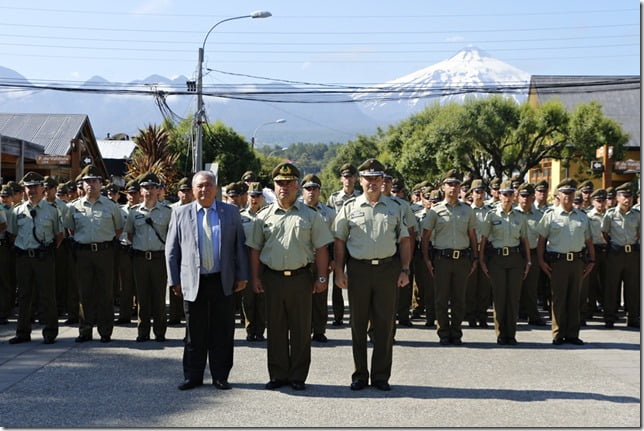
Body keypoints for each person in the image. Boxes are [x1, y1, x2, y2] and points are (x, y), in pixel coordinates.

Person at [247, 162, 332, 391]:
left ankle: (297, 376)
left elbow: (322, 248)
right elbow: (255, 249)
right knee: (275, 329)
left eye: (289, 183)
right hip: (272, 278)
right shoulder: (263, 216)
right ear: (274, 187)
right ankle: (278, 374)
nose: (284, 187)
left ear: (297, 186)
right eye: (279, 183)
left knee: (301, 329)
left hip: (301, 278)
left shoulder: (311, 216)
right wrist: (255, 278)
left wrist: (322, 278)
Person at [166, 170, 249, 391]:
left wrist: (242, 275)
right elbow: (171, 250)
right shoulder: (180, 214)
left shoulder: (230, 212)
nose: (204, 190)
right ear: (193, 190)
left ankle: (221, 376)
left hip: (223, 280)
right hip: (194, 282)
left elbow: (239, 246)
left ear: (216, 188)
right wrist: (174, 280)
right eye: (200, 186)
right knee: (195, 333)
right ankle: (193, 376)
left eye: (208, 185)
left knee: (222, 331)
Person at [333, 158, 411, 392]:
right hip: (358, 269)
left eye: (377, 178)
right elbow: (339, 241)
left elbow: (405, 240)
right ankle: (359, 374)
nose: (372, 183)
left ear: (382, 181)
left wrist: (405, 269)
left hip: (388, 269)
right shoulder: (349, 207)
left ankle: (380, 376)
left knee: (385, 325)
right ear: (360, 180)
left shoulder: (395, 207)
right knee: (357, 324)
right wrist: (339, 269)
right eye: (367, 178)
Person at [66, 165, 124, 343]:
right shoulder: (73, 207)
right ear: (82, 185)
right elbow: (70, 229)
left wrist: (103, 242)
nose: (90, 185)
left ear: (101, 184)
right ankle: (85, 330)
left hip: (104, 253)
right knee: (84, 293)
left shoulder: (111, 206)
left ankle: (105, 331)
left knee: (105, 293)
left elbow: (119, 228)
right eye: (87, 182)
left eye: (94, 181)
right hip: (83, 254)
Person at [421, 169, 478, 346]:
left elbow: (472, 235)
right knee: (441, 299)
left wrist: (475, 258)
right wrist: (427, 260)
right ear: (443, 187)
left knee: (459, 299)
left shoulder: (467, 210)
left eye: (456, 184)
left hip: (462, 259)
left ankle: (456, 332)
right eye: (449, 184)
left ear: (460, 187)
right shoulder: (435, 211)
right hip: (442, 259)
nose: (453, 188)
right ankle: (443, 332)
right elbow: (425, 237)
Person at [7, 172, 63, 344]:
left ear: (42, 188)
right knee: (24, 295)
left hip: (43, 257)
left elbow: (59, 235)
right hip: (24, 258)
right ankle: (23, 332)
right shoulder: (17, 211)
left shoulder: (52, 210)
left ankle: (50, 332)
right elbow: (12, 234)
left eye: (35, 187)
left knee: (47, 295)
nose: (32, 190)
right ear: (24, 189)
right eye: (28, 187)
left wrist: (47, 251)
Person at [537, 178, 595, 345]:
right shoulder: (550, 216)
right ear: (558, 195)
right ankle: (557, 333)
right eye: (565, 193)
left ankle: (572, 334)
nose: (568, 196)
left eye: (571, 193)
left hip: (577, 262)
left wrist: (592, 260)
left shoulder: (582, 217)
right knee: (559, 298)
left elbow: (589, 240)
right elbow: (541, 240)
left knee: (574, 298)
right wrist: (541, 261)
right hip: (558, 262)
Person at [479, 180, 531, 345]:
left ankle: (512, 333)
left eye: (510, 194)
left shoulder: (520, 217)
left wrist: (528, 261)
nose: (507, 198)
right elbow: (484, 239)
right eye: (504, 194)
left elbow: (525, 240)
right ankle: (501, 334)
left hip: (515, 259)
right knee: (500, 297)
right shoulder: (491, 215)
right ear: (499, 196)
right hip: (497, 259)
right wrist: (481, 260)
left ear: (514, 196)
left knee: (513, 297)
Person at [125, 172, 172, 342]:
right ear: (141, 190)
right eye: (145, 187)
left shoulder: (167, 212)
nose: (149, 191)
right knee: (142, 297)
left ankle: (160, 332)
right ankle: (142, 332)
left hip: (159, 259)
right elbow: (130, 234)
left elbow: (171, 235)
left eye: (153, 187)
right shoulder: (133, 212)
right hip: (140, 259)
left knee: (159, 296)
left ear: (159, 190)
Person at [300, 174, 336, 343]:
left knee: (320, 296)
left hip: (322, 259)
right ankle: (303, 329)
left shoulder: (329, 213)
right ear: (302, 191)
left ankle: (319, 330)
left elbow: (335, 238)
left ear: (320, 191)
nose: (311, 192)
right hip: (302, 259)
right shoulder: (296, 210)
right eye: (308, 189)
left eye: (314, 189)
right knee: (302, 297)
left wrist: (334, 259)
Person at [326, 162, 361, 326]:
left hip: (356, 240)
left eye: (351, 176)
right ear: (341, 179)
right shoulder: (334, 198)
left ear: (356, 179)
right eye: (345, 176)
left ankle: (357, 313)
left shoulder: (361, 196)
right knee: (337, 278)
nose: (348, 180)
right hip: (338, 240)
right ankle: (338, 315)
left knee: (356, 278)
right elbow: (328, 220)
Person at [601, 183, 640, 328]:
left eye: (630, 197)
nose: (628, 200)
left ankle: (633, 318)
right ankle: (609, 317)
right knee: (611, 286)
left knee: (632, 287)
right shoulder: (610, 214)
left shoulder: (637, 215)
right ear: (617, 197)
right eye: (624, 196)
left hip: (632, 254)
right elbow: (604, 232)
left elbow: (639, 231)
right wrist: (614, 244)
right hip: (615, 254)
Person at [515, 183, 547, 326]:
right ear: (518, 197)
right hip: (515, 254)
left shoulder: (540, 216)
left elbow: (542, 237)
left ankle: (533, 314)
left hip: (533, 254)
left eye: (528, 196)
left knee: (531, 287)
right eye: (522, 196)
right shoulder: (512, 213)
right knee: (513, 286)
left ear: (533, 197)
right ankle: (514, 314)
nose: (525, 199)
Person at [239, 182, 267, 342]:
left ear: (262, 197)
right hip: (247, 260)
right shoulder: (241, 216)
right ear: (247, 197)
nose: (254, 199)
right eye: (252, 196)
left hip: (263, 261)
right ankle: (250, 330)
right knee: (248, 298)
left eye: (257, 196)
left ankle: (260, 330)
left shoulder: (267, 215)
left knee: (262, 298)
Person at [466, 179, 492, 328]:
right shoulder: (467, 210)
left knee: (484, 285)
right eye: (477, 192)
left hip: (486, 249)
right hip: (470, 249)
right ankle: (470, 316)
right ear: (472, 193)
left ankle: (482, 315)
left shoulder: (490, 211)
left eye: (482, 192)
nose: (480, 195)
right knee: (470, 285)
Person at [115, 179, 140, 325]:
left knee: (140, 283)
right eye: (129, 193)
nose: (131, 196)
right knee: (125, 284)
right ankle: (124, 315)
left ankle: (140, 313)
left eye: (134, 193)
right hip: (124, 249)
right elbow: (116, 229)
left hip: (138, 249)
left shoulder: (142, 210)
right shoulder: (120, 210)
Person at [582, 188, 608, 324]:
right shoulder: (588, 216)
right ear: (593, 201)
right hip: (593, 251)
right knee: (591, 282)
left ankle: (608, 310)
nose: (601, 203)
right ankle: (590, 309)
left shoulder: (610, 215)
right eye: (598, 201)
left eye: (603, 200)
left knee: (608, 282)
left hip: (607, 251)